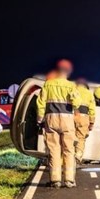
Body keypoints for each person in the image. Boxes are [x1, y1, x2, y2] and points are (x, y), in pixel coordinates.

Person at [36, 59, 80, 188]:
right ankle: (69, 180)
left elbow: (41, 103)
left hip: (51, 119)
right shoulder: (71, 85)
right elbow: (76, 103)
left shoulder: (48, 84)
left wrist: (40, 119)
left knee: (54, 149)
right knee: (68, 150)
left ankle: (55, 180)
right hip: (67, 120)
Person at [74, 78, 96, 164]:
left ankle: (68, 157)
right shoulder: (89, 93)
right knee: (81, 138)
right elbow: (92, 110)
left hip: (72, 115)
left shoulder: (72, 90)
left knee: (69, 137)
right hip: (83, 117)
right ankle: (78, 155)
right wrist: (92, 122)